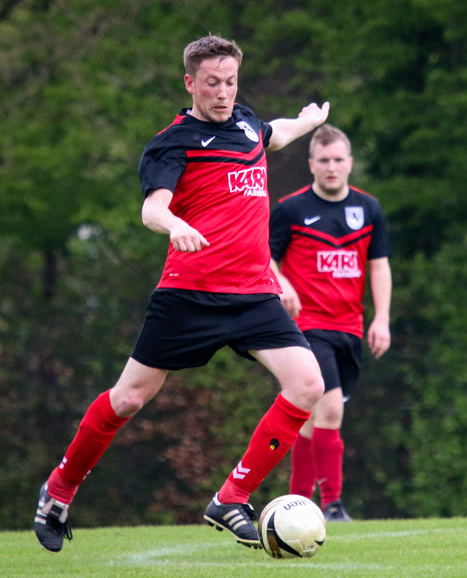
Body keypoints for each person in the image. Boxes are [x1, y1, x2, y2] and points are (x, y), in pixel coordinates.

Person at [33, 35, 330, 553]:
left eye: (231, 82)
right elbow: (152, 208)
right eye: (212, 83)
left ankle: (231, 498)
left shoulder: (245, 123)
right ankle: (58, 491)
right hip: (190, 294)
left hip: (254, 294)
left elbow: (274, 135)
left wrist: (307, 122)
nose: (224, 93)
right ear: (190, 82)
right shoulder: (174, 142)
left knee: (307, 385)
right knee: (128, 398)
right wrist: (174, 224)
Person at [269, 124, 392, 522]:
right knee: (331, 409)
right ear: (311, 165)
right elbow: (265, 258)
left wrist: (382, 319)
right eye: (324, 160)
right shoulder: (290, 209)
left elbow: (379, 266)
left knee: (309, 422)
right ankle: (333, 505)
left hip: (349, 327)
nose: (331, 167)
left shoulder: (368, 209)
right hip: (305, 327)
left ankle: (296, 506)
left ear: (350, 163)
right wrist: (283, 284)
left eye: (338, 159)